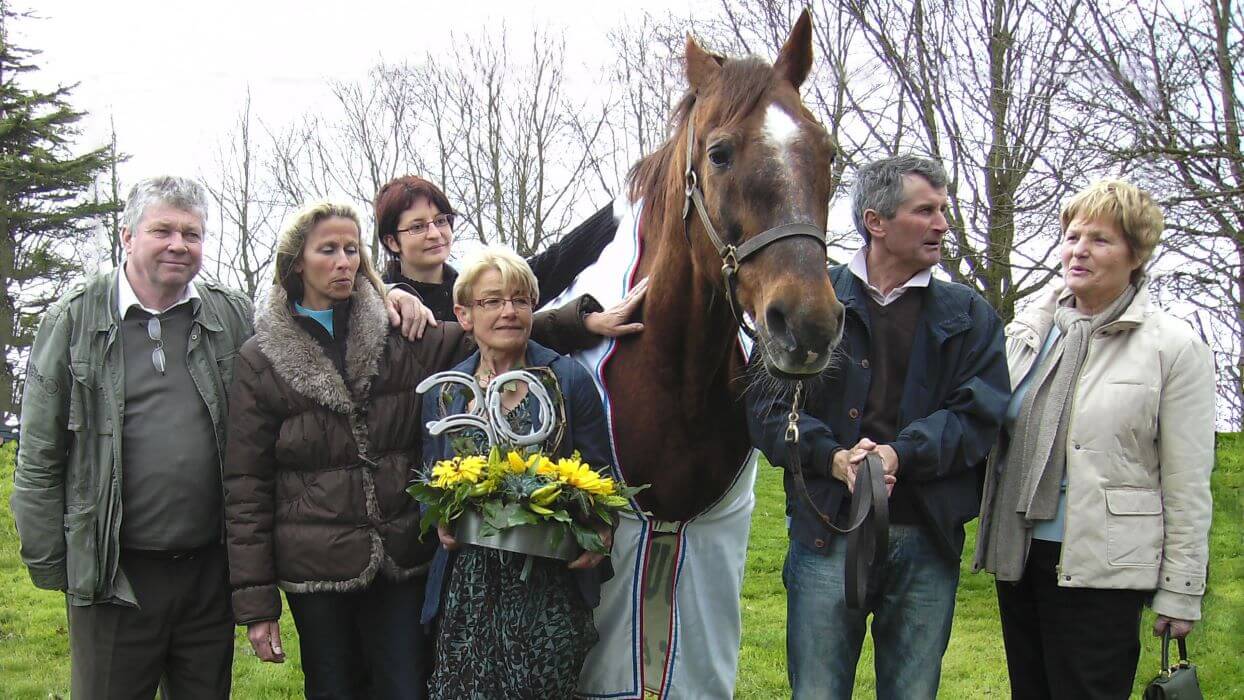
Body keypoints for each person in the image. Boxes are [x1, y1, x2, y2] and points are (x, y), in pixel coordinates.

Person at [8, 176, 431, 699]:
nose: (178, 245)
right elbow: (39, 455)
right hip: (116, 575)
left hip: (207, 571)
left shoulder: (227, 313)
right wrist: (57, 565)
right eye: (163, 230)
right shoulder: (73, 319)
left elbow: (312, 308)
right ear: (126, 236)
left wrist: (392, 296)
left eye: (192, 233)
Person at [221, 206, 617, 699]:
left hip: (398, 560)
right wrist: (257, 604)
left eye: (351, 249)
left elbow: (499, 327)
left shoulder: (398, 332)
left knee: (407, 687)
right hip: (316, 569)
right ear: (296, 262)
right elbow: (246, 485)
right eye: (328, 250)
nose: (344, 261)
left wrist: (581, 320)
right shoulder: (260, 360)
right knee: (333, 688)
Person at [747, 155, 1010, 699]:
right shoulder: (812, 302)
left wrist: (899, 455)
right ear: (876, 222)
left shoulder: (970, 316)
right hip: (827, 536)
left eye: (944, 209)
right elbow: (766, 409)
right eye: (926, 210)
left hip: (926, 540)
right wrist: (833, 458)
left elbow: (978, 416)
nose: (942, 223)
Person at [975, 179, 1215, 699]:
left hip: (1103, 568)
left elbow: (1187, 482)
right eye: (1073, 236)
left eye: (1100, 239)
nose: (1079, 249)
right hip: (1020, 555)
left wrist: (1181, 590)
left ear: (1136, 254)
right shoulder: (1032, 332)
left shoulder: (1172, 348)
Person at [419, 246, 614, 699]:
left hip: (548, 587)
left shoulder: (567, 380)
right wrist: (439, 517)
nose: (509, 311)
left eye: (521, 300)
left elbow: (604, 478)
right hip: (468, 589)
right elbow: (430, 478)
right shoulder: (446, 393)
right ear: (464, 314)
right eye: (492, 301)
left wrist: (601, 528)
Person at [375, 175, 638, 330]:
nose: (435, 233)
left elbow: (551, 266)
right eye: (418, 226)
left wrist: (619, 211)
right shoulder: (377, 304)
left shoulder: (475, 290)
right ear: (392, 241)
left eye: (441, 221)